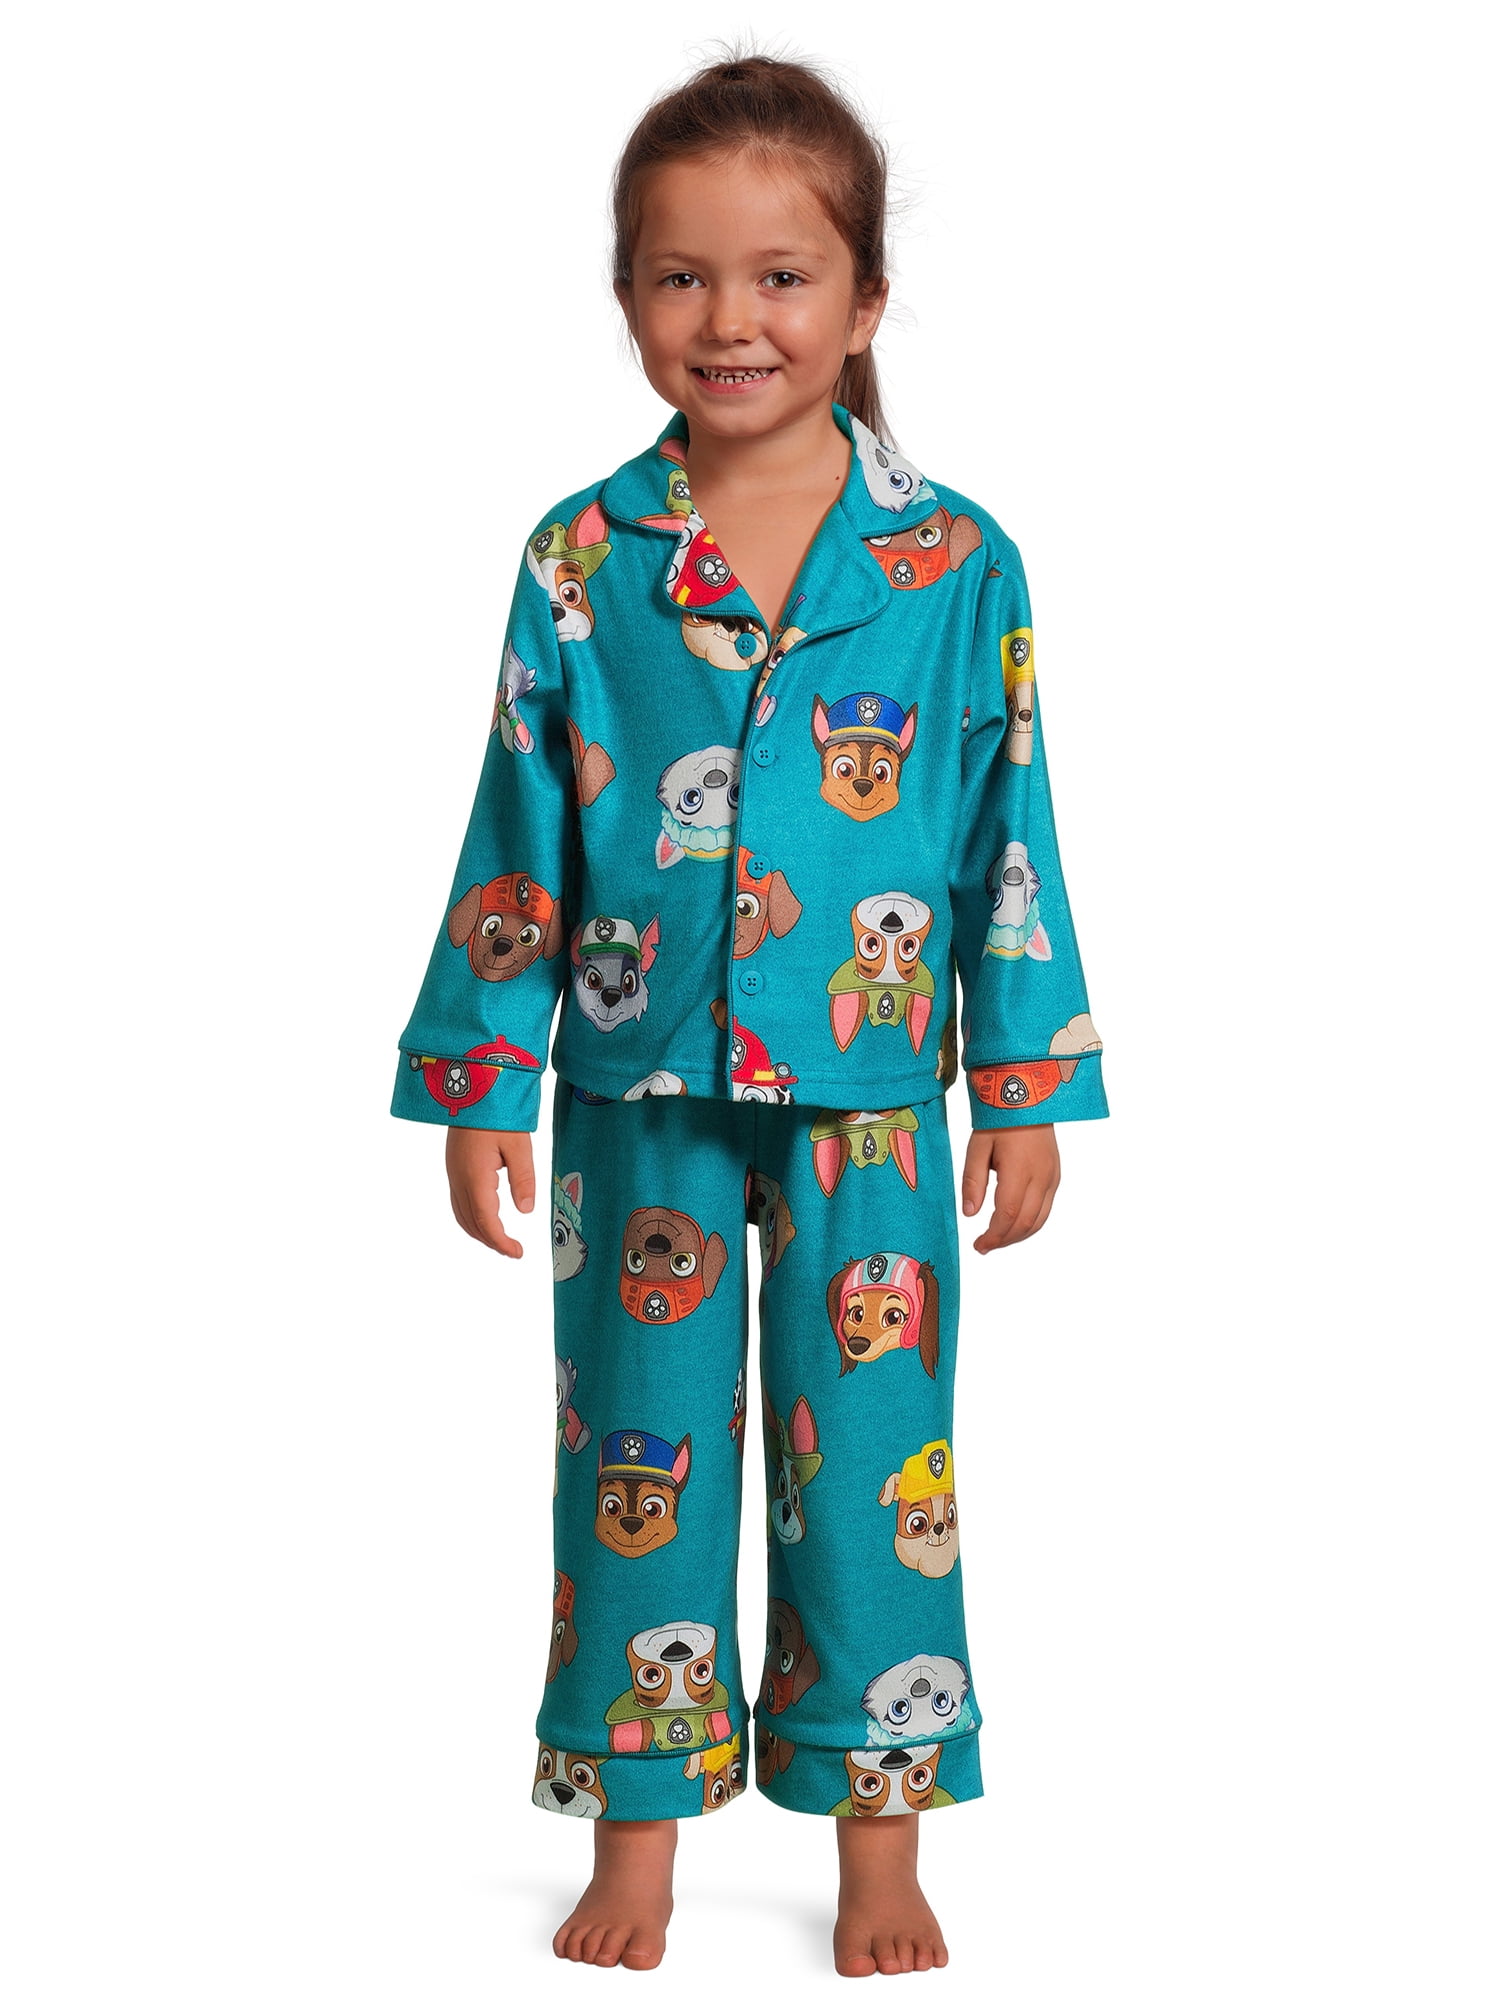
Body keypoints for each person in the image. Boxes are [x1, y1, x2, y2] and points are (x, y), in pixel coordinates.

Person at [391, 48, 1108, 1979]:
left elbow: (1007, 825)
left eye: (783, 276)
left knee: (880, 1471)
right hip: (641, 1097)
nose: (733, 318)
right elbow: (520, 829)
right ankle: (636, 1830)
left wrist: (1023, 1082)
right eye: (682, 276)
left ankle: (879, 1852)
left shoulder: (956, 562)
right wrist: (482, 1080)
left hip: (877, 1100)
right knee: (636, 1460)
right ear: (628, 298)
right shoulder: (580, 559)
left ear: (864, 303)